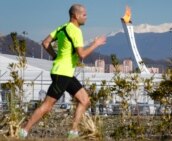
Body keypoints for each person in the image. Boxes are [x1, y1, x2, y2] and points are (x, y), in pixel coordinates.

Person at [18, 4, 106, 138]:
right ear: (76, 16)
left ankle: (73, 132)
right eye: (84, 15)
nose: (86, 17)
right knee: (47, 105)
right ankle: (23, 131)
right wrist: (96, 44)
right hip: (63, 73)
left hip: (64, 72)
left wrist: (54, 56)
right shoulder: (76, 31)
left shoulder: (62, 28)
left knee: (85, 100)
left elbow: (45, 43)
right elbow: (82, 55)